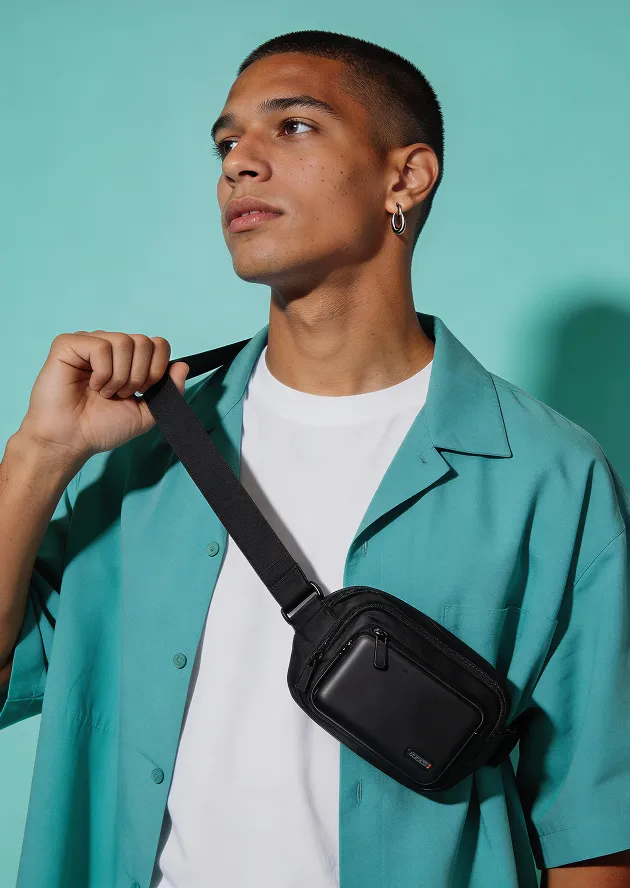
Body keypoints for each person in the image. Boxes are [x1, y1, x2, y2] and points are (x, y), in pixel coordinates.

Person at [0, 28, 629, 888]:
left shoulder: (549, 478)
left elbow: (594, 828)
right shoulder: (144, 451)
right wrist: (37, 456)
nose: (239, 163)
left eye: (292, 126)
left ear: (406, 177)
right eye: (226, 143)